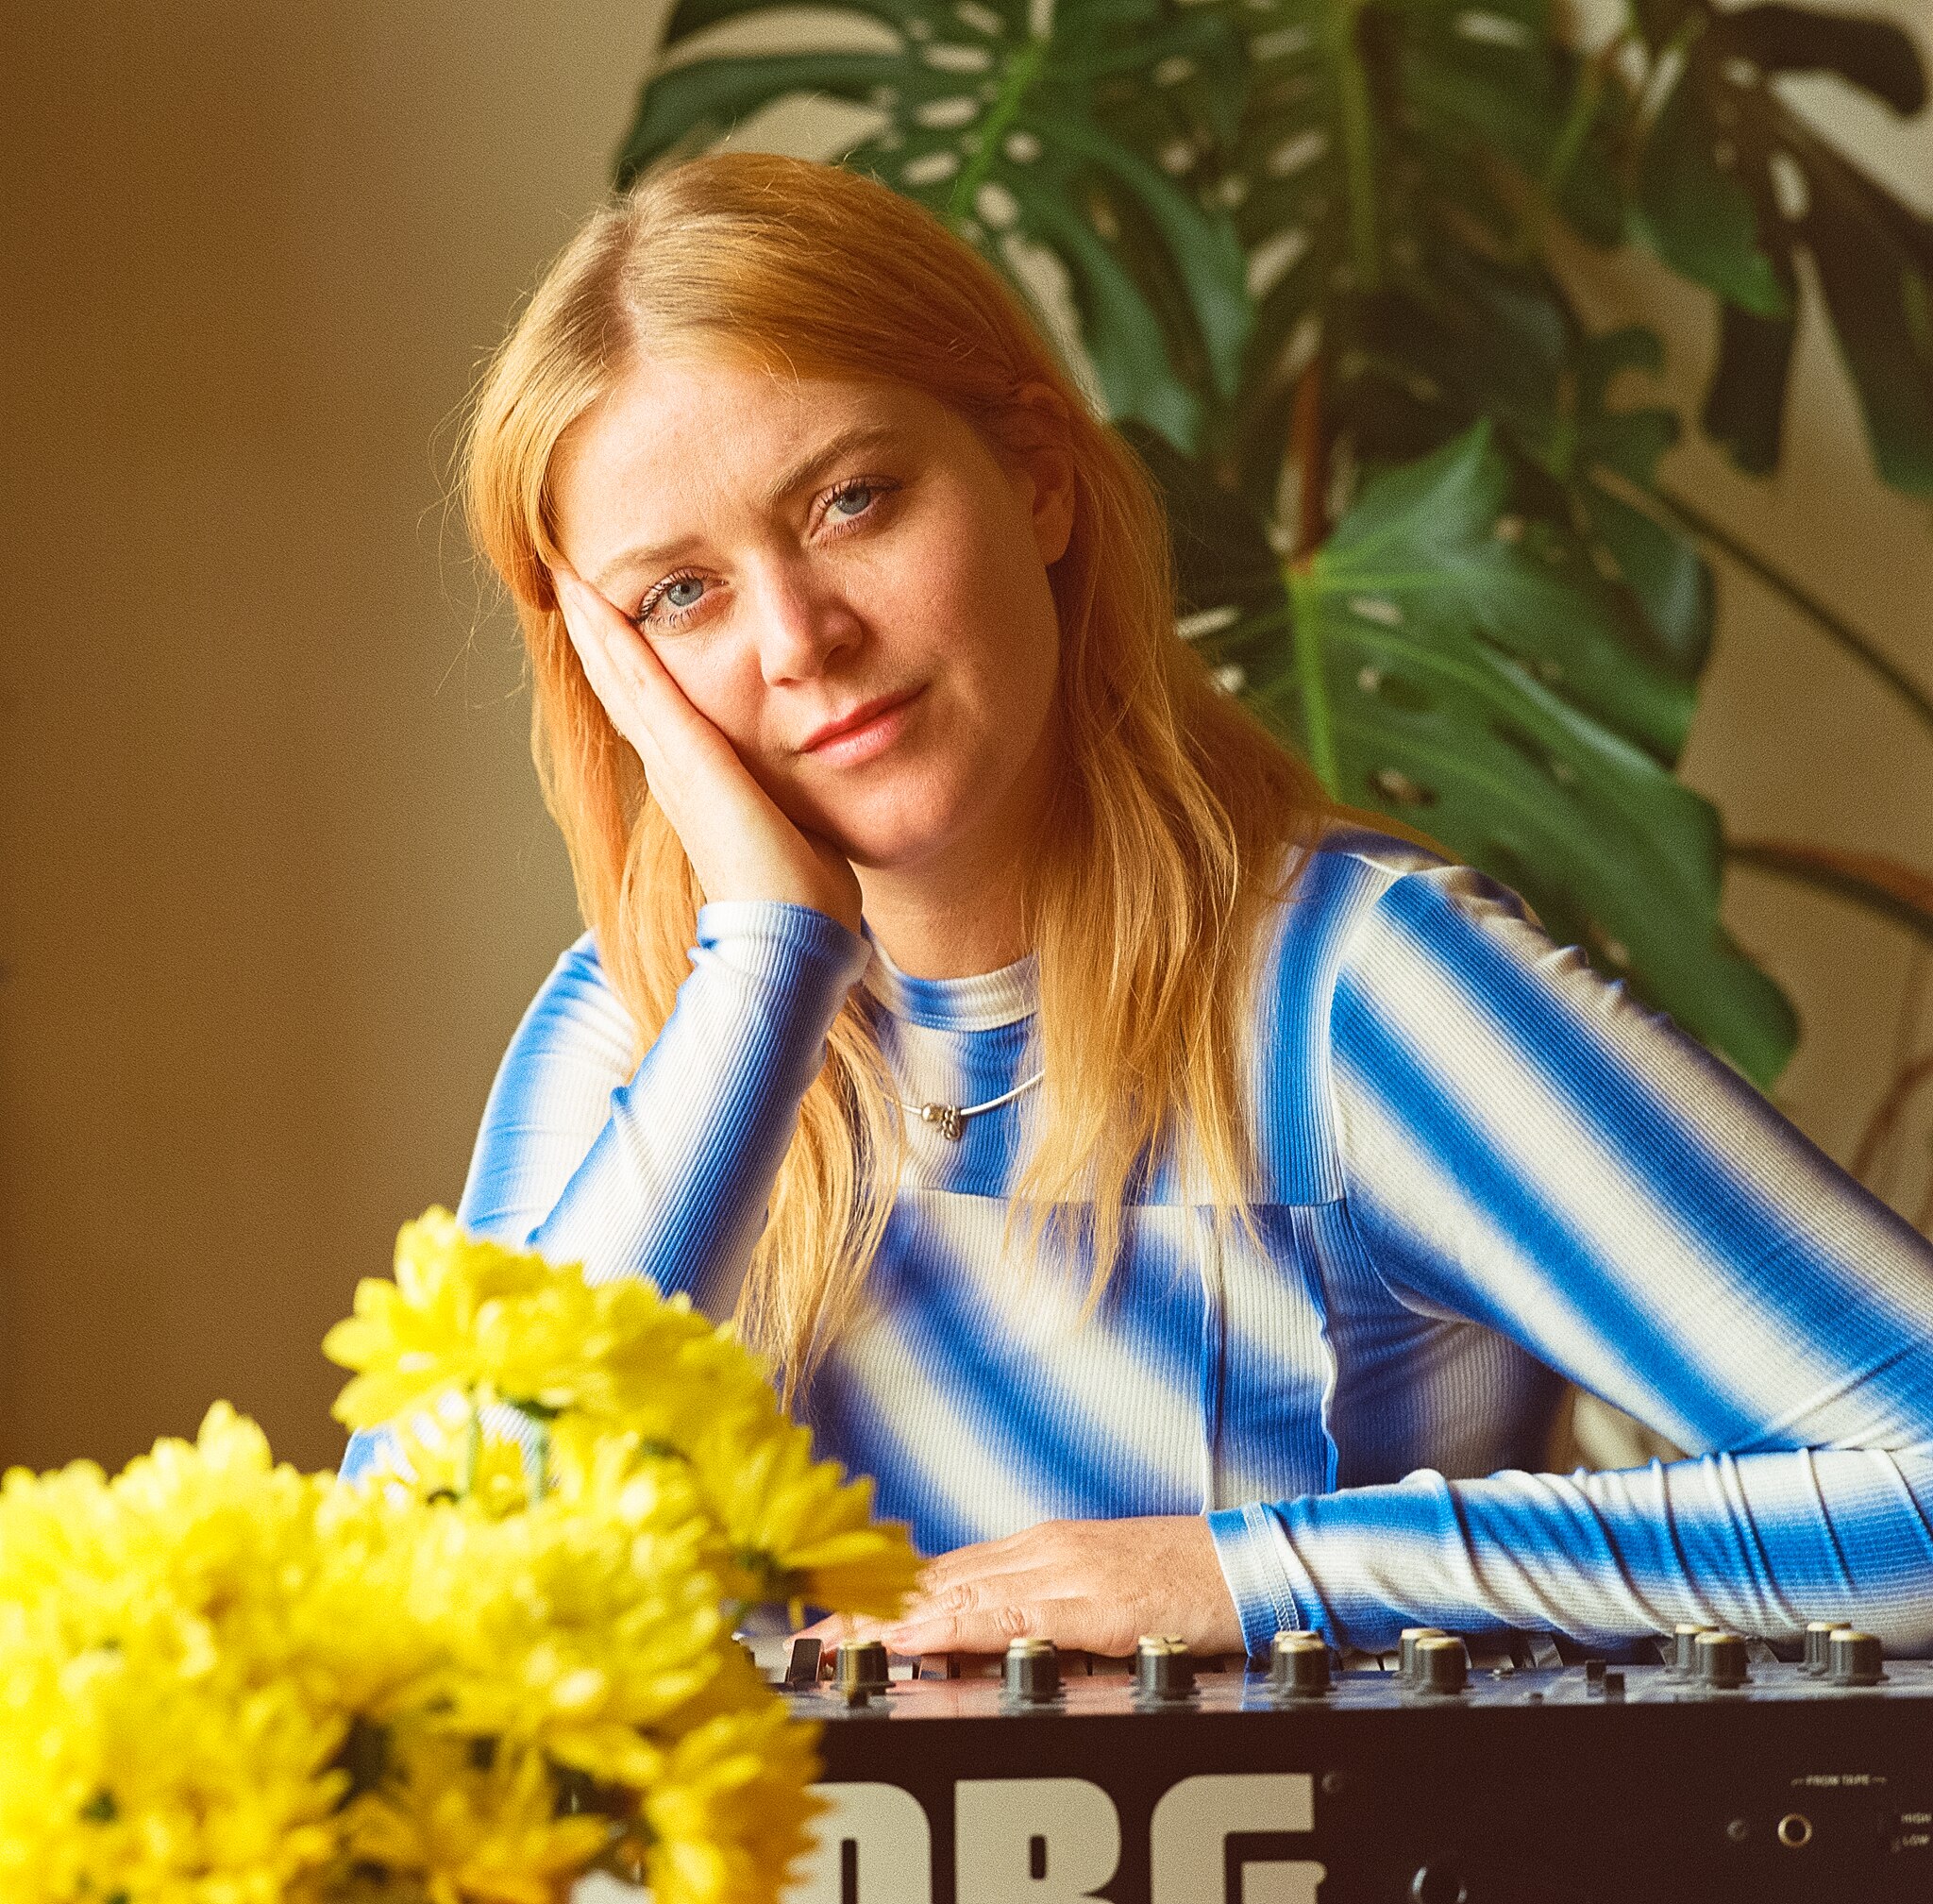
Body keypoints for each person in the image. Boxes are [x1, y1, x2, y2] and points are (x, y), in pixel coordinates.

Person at [346, 150, 1933, 1664]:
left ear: (1038, 482)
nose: (797, 638)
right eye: (680, 594)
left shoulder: (1347, 993)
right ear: (615, 679)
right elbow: (406, 1616)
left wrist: (1263, 1572)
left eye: (852, 500)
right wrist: (768, 962)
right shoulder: (648, 1024)